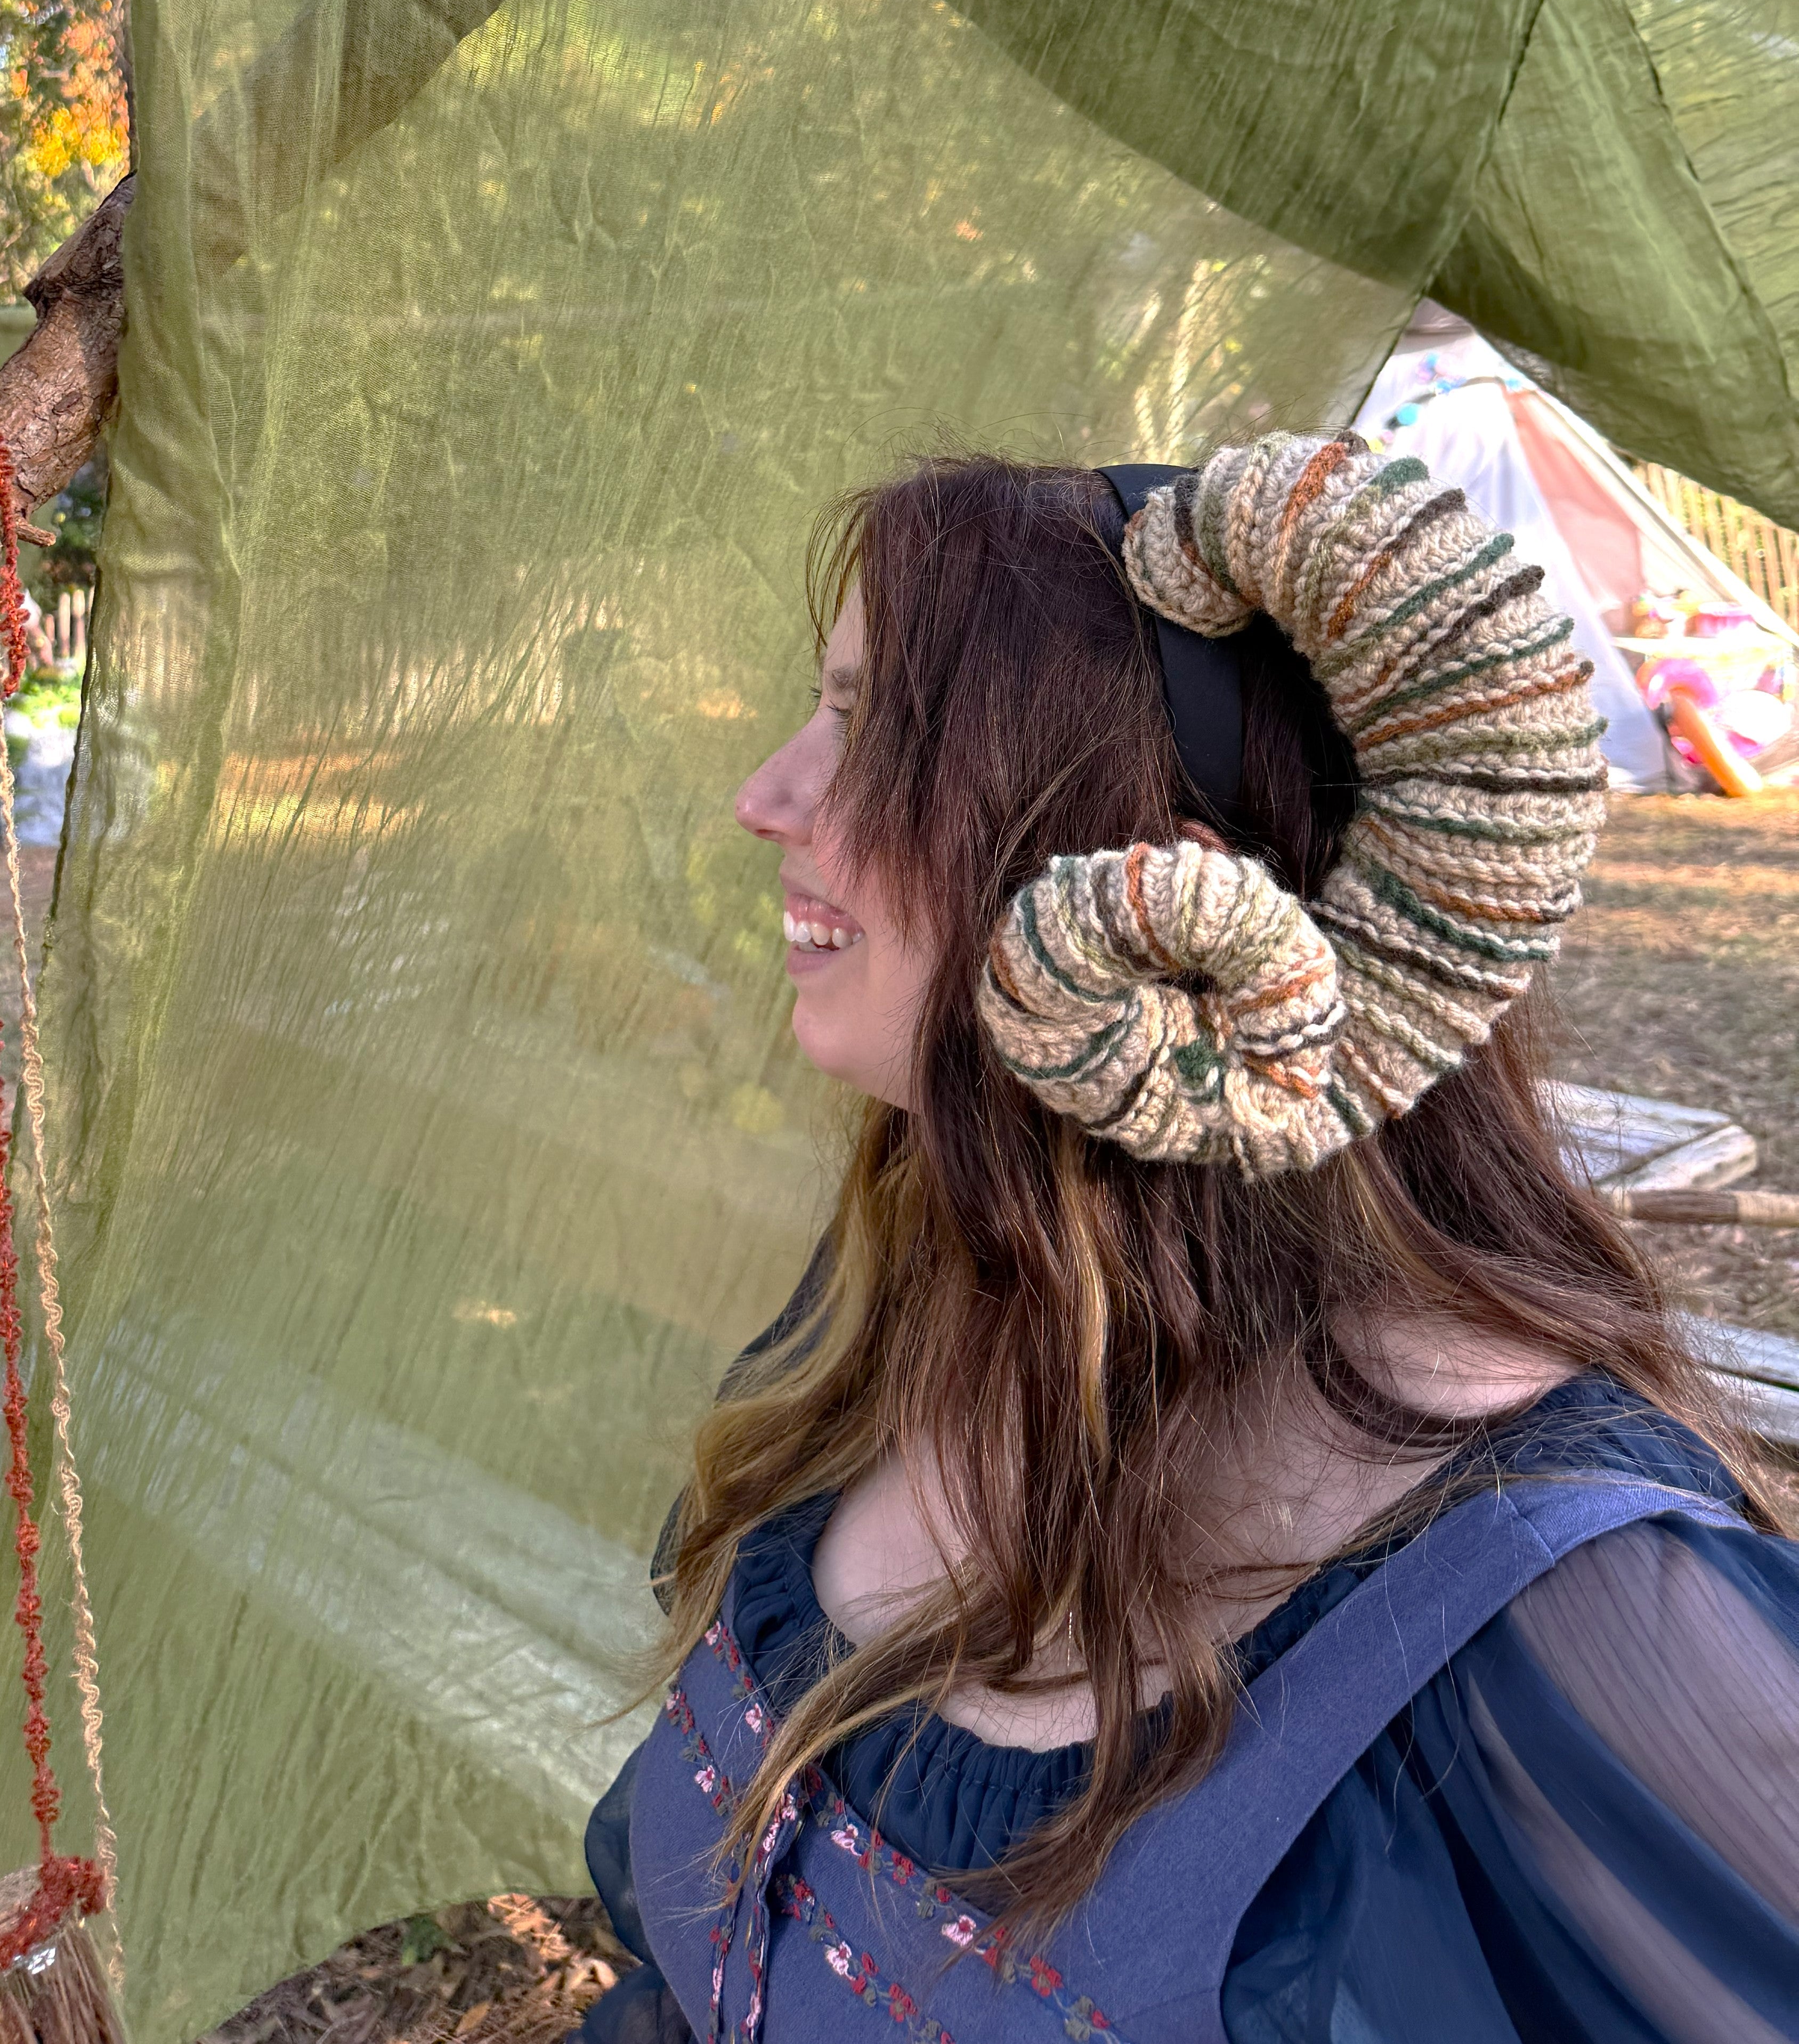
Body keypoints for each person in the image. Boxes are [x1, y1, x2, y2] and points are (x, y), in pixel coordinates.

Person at [578, 438, 1799, 2044]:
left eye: (872, 726)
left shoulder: (1559, 1598)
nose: (767, 797)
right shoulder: (923, 1308)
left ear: (1148, 856)